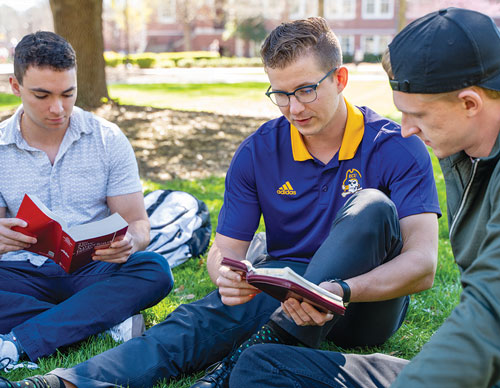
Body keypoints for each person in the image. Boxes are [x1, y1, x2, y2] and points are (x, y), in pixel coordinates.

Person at [0, 18, 440, 388]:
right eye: (279, 93)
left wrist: (341, 289)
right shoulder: (258, 151)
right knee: (198, 317)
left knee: (372, 206)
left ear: (339, 79)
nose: (293, 108)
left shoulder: (396, 146)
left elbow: (422, 263)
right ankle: (66, 381)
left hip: (360, 305)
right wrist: (227, 277)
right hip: (282, 293)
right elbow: (225, 251)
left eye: (306, 90)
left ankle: (240, 359)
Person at [224, 7, 500, 388]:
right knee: (260, 366)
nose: (406, 130)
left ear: (470, 104)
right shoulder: (463, 155)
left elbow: (486, 312)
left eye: (417, 114)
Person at [0, 31, 174, 371]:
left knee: (154, 269)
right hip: (20, 273)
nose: (58, 108)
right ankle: (102, 323)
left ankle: (17, 342)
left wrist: (131, 242)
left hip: (91, 270)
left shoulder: (107, 139)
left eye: (68, 93)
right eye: (42, 95)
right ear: (15, 86)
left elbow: (138, 225)